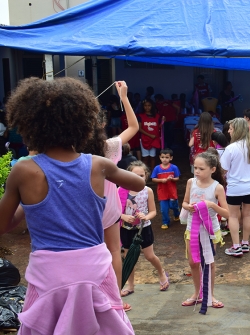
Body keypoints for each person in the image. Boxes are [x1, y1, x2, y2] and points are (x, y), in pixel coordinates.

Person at [0, 77, 144, 334]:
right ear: (83, 123)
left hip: (49, 274)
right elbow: (138, 184)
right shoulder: (98, 165)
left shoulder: (23, 170)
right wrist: (110, 168)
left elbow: (4, 224)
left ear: (29, 125)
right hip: (94, 270)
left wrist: (31, 205)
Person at [82, 81, 140, 313]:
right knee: (114, 251)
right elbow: (134, 127)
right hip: (109, 209)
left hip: (82, 210)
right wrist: (124, 97)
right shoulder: (108, 148)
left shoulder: (70, 150)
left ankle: (90, 298)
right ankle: (114, 300)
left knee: (87, 252)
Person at [181, 151, 228, 308]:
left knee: (209, 262)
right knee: (193, 262)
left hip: (210, 230)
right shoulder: (190, 182)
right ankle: (197, 292)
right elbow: (185, 202)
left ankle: (210, 294)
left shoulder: (217, 187)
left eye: (201, 168)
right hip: (192, 227)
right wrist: (188, 207)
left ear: (212, 169)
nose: (197, 171)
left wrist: (212, 205)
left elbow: (227, 213)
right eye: (195, 168)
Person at [119, 161, 169, 297]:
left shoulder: (148, 191)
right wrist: (123, 216)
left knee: (149, 256)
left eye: (142, 175)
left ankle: (162, 274)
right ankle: (130, 286)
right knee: (129, 258)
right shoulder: (121, 190)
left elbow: (153, 212)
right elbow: (115, 211)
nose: (139, 178)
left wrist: (145, 217)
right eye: (135, 175)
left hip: (143, 229)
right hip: (126, 229)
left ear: (146, 176)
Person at [220, 118, 250, 257]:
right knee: (248, 214)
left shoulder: (230, 148)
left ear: (237, 130)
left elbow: (224, 168)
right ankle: (245, 243)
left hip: (235, 187)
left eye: (231, 128)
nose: (228, 131)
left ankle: (236, 246)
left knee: (233, 216)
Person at [151, 148, 180, 229]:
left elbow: (177, 178)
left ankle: (176, 214)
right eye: (163, 157)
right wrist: (161, 180)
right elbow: (153, 179)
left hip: (172, 191)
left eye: (167, 157)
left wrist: (172, 179)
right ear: (160, 157)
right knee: (164, 209)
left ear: (171, 158)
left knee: (174, 205)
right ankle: (165, 222)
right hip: (162, 192)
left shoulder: (174, 168)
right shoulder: (157, 168)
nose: (164, 159)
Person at [138, 98, 162, 171]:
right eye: (145, 105)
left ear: (152, 106)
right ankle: (144, 172)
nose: (147, 107)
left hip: (154, 139)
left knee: (153, 157)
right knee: (145, 157)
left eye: (149, 105)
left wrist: (163, 121)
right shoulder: (140, 116)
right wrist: (149, 135)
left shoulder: (157, 116)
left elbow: (159, 127)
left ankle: (152, 173)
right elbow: (139, 129)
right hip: (144, 139)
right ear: (143, 106)